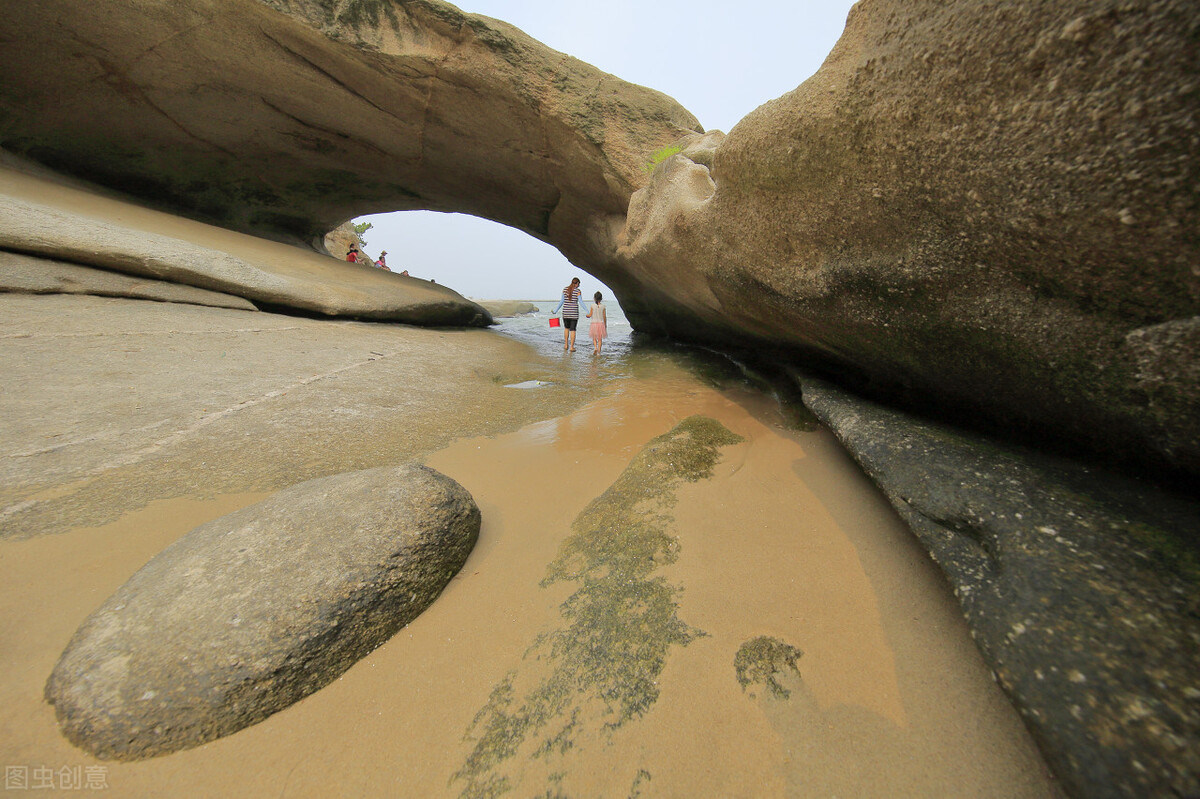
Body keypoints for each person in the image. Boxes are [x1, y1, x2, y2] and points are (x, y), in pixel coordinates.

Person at [552, 277, 582, 352]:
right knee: (573, 330)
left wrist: (555, 310)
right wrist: (588, 311)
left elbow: (561, 301)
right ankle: (571, 347)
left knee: (566, 328)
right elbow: (581, 302)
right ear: (577, 283)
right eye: (579, 284)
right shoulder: (578, 291)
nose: (579, 286)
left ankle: (566, 345)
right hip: (574, 314)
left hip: (565, 313)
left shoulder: (565, 289)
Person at [586, 291, 607, 356]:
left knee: (594, 338)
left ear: (594, 298)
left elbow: (590, 315)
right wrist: (605, 324)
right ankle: (599, 352)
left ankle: (595, 347)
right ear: (601, 298)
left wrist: (587, 315)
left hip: (593, 324)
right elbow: (604, 316)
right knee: (600, 339)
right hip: (601, 324)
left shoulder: (592, 305)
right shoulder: (603, 306)